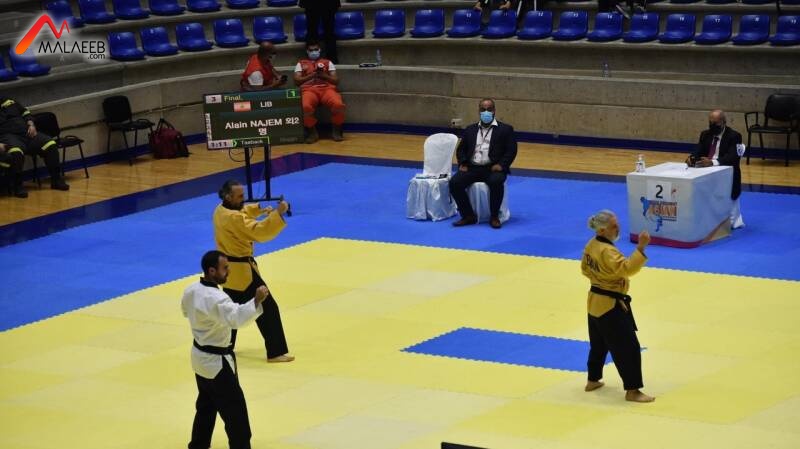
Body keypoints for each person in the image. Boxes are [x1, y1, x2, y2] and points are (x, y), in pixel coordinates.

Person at [182, 250, 269, 449]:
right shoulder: (217, 298)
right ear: (212, 271)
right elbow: (236, 318)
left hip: (199, 357)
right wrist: (256, 300)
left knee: (206, 405)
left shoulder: (191, 290)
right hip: (217, 363)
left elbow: (185, 311)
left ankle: (198, 445)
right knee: (236, 414)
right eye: (225, 268)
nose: (228, 271)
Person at [213, 180, 294, 363]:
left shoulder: (220, 210)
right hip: (244, 273)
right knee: (267, 308)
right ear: (228, 196)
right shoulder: (234, 218)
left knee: (230, 308)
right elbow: (259, 231)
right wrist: (278, 213)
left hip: (227, 271)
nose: (243, 199)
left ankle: (223, 345)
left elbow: (241, 212)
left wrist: (258, 209)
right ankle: (275, 352)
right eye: (240, 196)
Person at [581, 210, 655, 403]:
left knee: (599, 344)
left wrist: (600, 279)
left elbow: (584, 269)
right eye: (614, 226)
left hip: (594, 301)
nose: (618, 228)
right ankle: (633, 390)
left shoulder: (591, 244)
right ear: (602, 230)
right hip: (610, 305)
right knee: (628, 348)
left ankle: (593, 380)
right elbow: (627, 268)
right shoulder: (608, 251)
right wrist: (641, 247)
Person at [449, 98, 517, 229]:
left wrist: (502, 165)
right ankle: (468, 215)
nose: (486, 112)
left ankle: (494, 216)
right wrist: (463, 163)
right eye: (483, 109)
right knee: (454, 183)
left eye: (489, 109)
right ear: (479, 111)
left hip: (492, 168)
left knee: (496, 182)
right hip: (472, 167)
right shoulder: (470, 129)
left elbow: (511, 150)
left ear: (494, 111)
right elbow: (461, 149)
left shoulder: (505, 129)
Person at [685, 109, 744, 229]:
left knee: (730, 222)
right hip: (706, 170)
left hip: (725, 171)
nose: (712, 126)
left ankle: (731, 219)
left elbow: (733, 157)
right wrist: (691, 157)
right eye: (710, 123)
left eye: (715, 123)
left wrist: (713, 162)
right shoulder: (705, 134)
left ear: (723, 122)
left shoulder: (734, 136)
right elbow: (698, 150)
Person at [0, 96, 69, 198]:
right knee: (15, 152)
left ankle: (56, 180)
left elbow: (25, 113)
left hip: (27, 132)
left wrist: (31, 124)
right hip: (8, 136)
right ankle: (18, 187)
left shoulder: (9, 101)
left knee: (50, 144)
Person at [293, 40, 345, 144]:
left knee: (338, 104)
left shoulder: (327, 62)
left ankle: (337, 130)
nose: (314, 52)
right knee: (305, 106)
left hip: (327, 89)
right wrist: (311, 75)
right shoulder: (301, 63)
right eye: (311, 50)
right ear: (307, 51)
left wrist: (324, 76)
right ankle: (312, 132)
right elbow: (297, 81)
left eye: (316, 49)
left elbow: (336, 81)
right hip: (309, 90)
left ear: (320, 50)